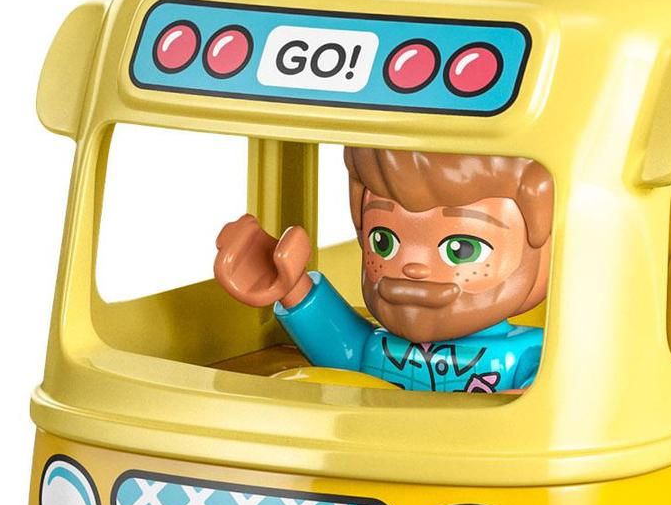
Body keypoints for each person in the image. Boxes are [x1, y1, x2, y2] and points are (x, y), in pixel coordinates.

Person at [211, 148, 550, 393]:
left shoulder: (531, 353)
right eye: (384, 241)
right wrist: (290, 286)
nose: (413, 266)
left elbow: (558, 401)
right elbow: (342, 350)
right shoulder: (374, 348)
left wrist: (521, 412)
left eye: (462, 249)